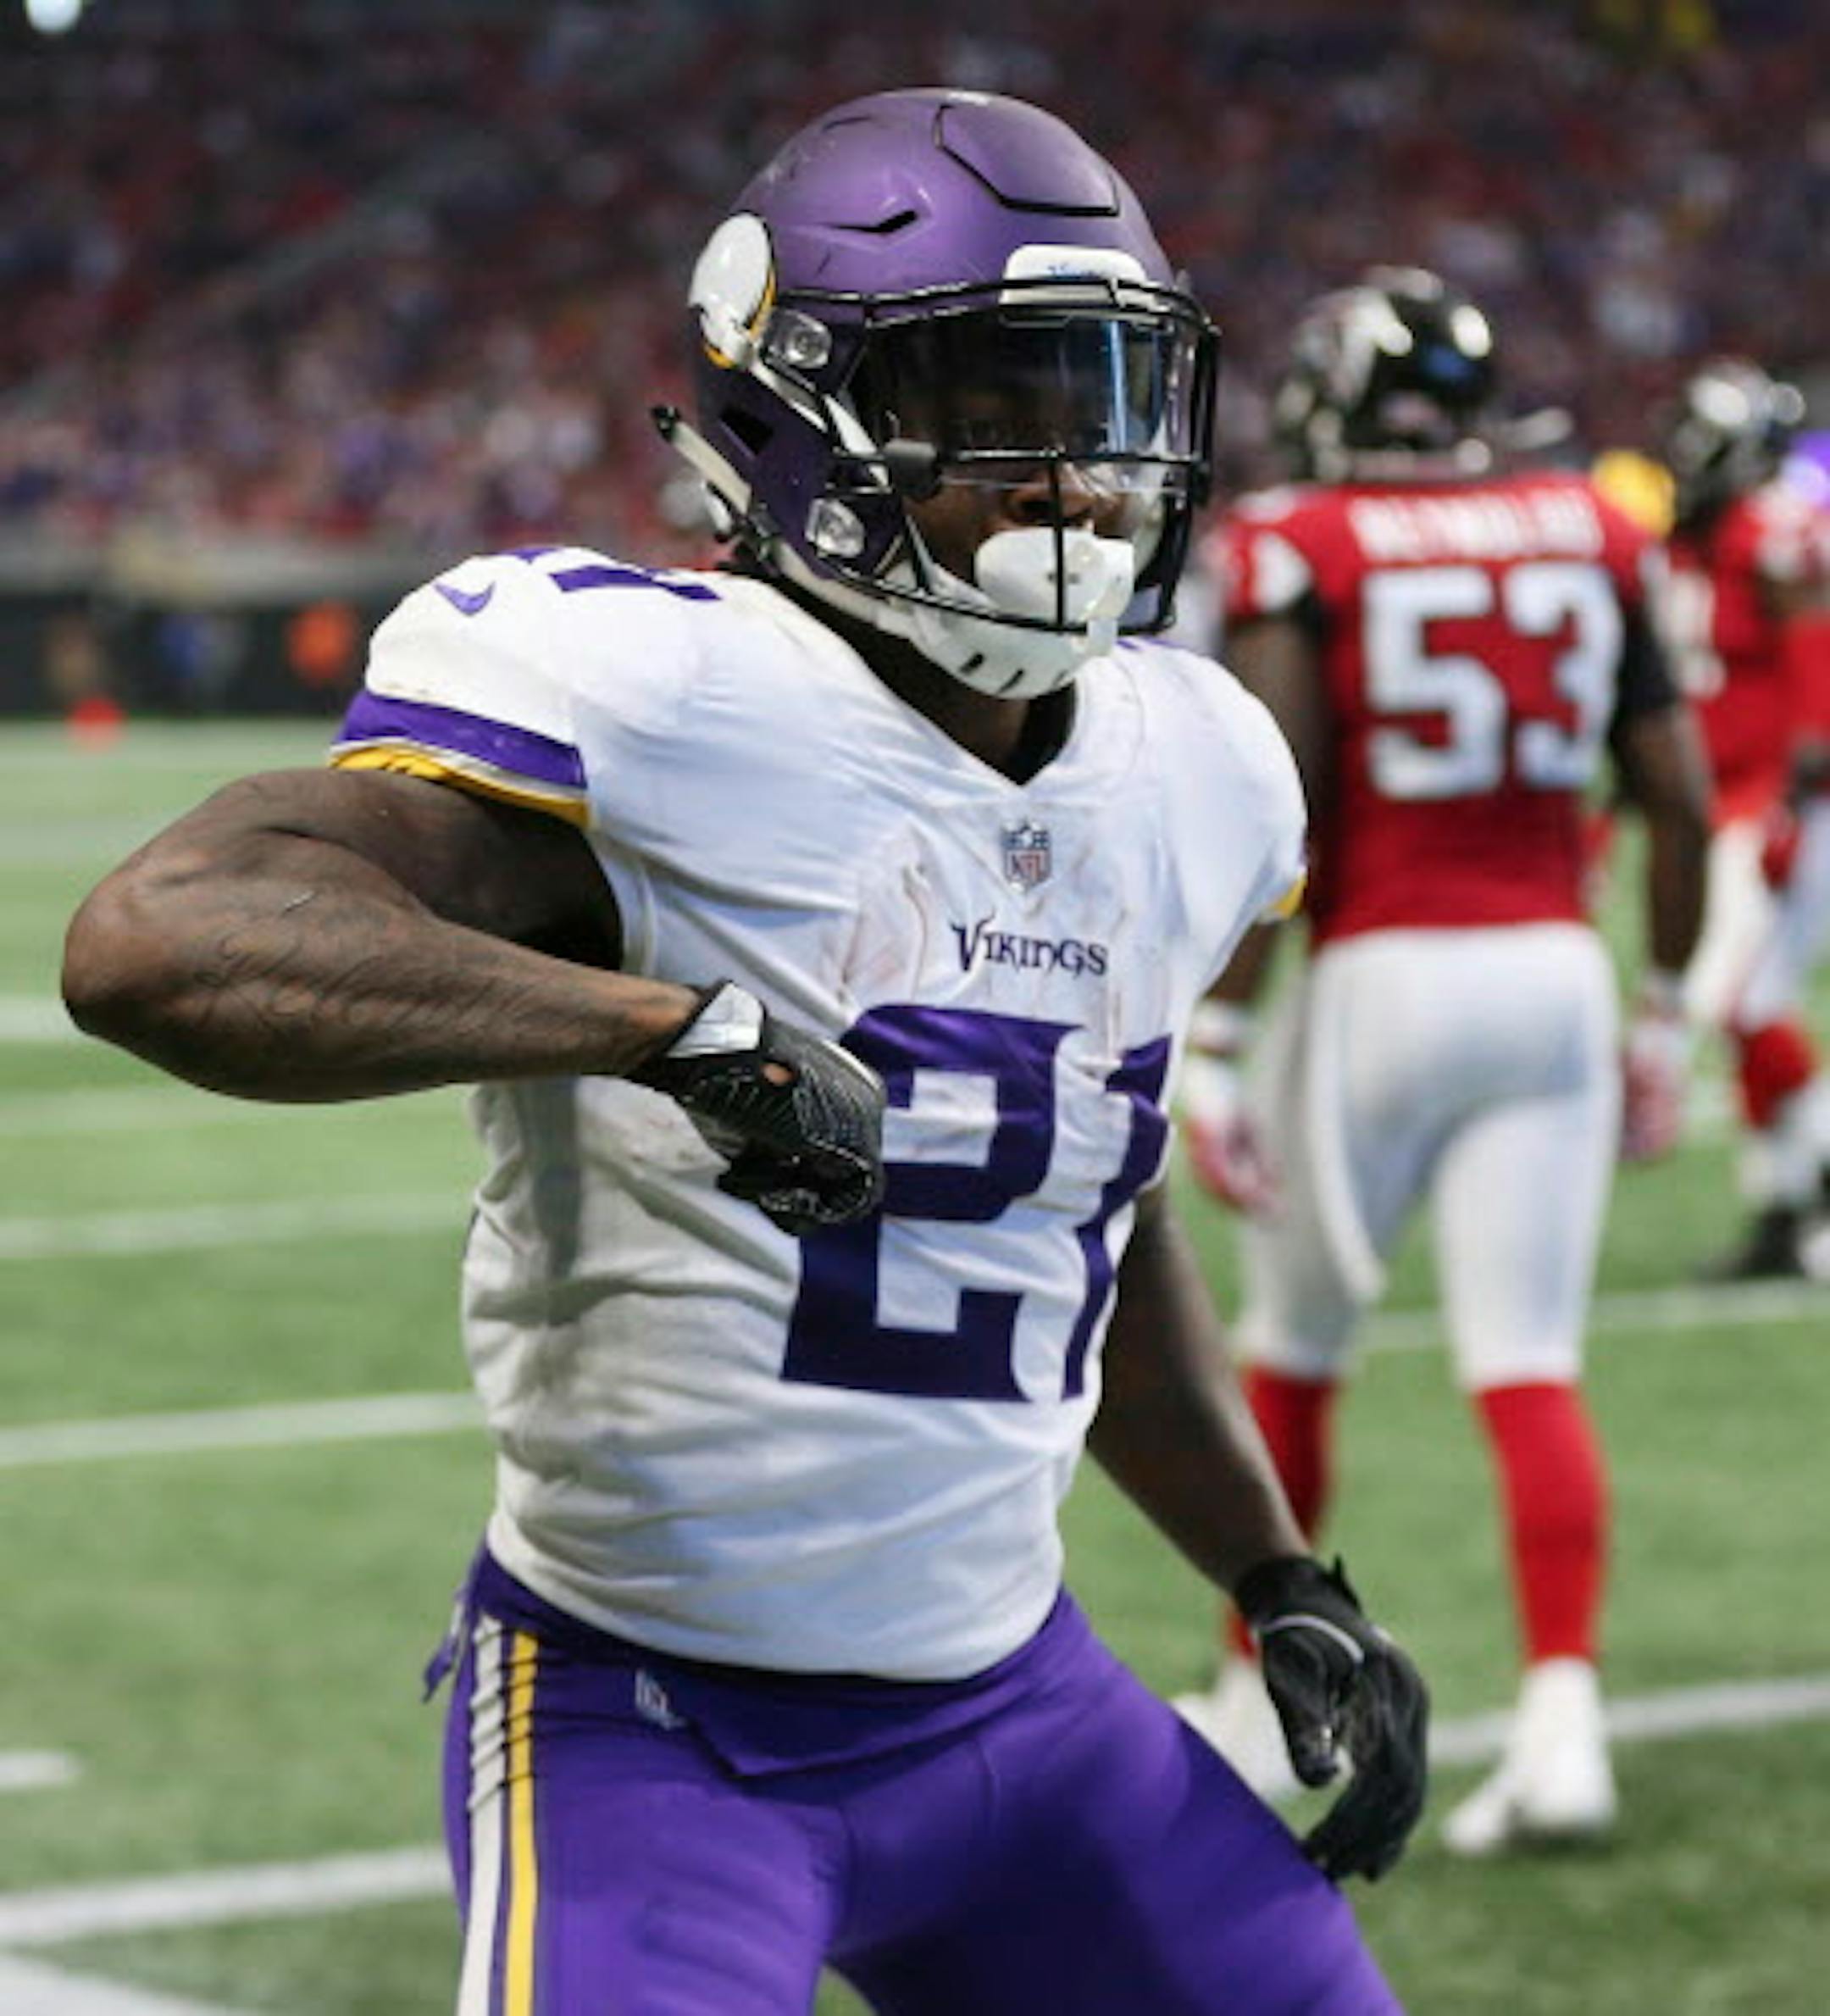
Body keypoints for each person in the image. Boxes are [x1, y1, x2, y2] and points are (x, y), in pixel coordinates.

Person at [62, 92, 1428, 2016]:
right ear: (799, 417)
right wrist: (663, 1028)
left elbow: (1076, 1212)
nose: (1076, 476)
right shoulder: (661, 697)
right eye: (994, 406)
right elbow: (158, 936)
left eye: (1110, 400)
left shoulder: (1193, 761)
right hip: (648, 1724)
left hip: (1019, 1701)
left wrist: (1272, 1567)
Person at [1171, 269, 1710, 1857]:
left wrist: (1220, 1031)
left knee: (1292, 1351)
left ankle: (1255, 1699)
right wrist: (1664, 1008)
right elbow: (1678, 795)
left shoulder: (1299, 538)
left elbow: (1287, 801)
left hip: (1377, 979)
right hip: (1555, 971)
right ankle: (1564, 1726)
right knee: (1529, 1361)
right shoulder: (1591, 522)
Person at [1655, 359, 1830, 1279]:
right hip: (1725, 803)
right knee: (1746, 1008)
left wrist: (1798, 792)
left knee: (1734, 999)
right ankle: (1782, 1207)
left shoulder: (1774, 530)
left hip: (1780, 801)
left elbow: (1815, 656)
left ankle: (1812, 1169)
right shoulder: (1694, 543)